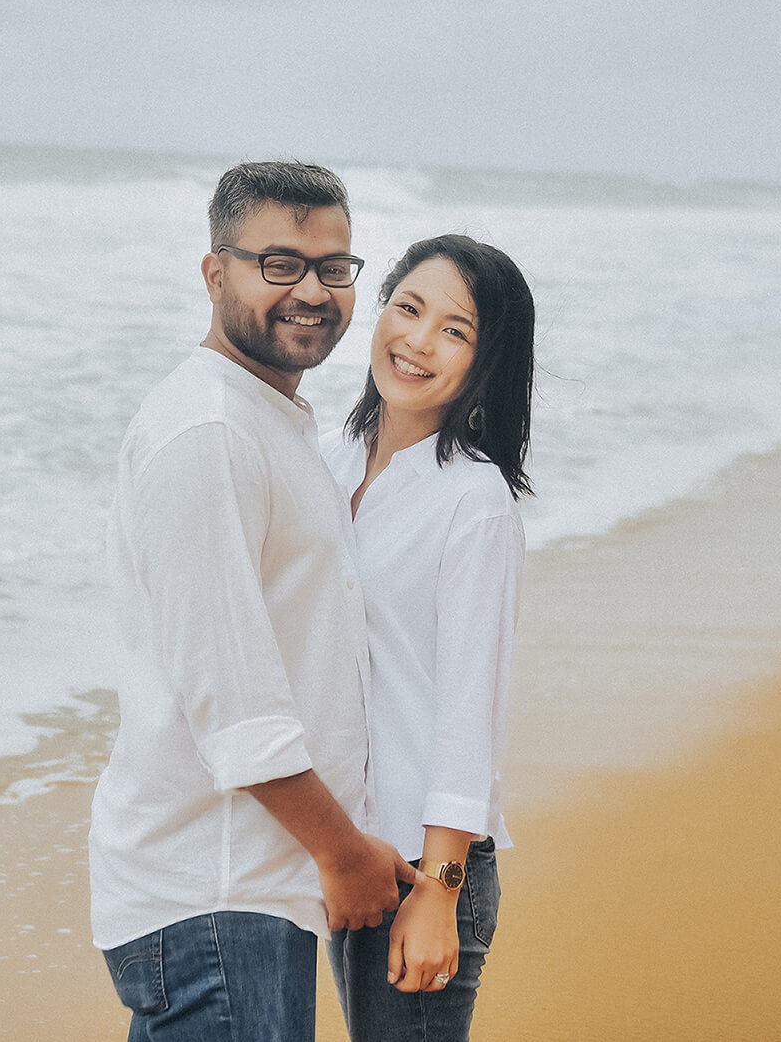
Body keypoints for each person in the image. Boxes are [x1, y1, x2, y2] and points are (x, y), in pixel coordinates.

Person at [88, 161, 424, 1042]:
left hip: (249, 889)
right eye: (279, 264)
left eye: (334, 267)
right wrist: (342, 850)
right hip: (214, 889)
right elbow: (230, 696)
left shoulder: (267, 422)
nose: (311, 291)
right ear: (215, 273)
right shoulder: (210, 435)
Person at [319, 234, 535, 1042]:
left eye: (455, 330)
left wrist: (439, 893)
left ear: (486, 361)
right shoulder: (326, 462)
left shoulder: (473, 501)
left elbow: (468, 712)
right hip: (347, 850)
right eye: (408, 308)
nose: (416, 341)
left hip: (424, 864)